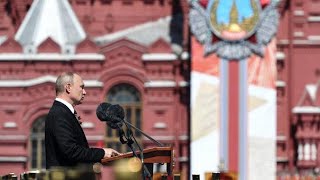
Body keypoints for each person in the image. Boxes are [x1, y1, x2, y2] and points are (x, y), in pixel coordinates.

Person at [45, 72, 120, 169]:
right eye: (81, 87)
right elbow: (71, 151)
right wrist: (103, 153)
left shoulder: (63, 112)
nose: (84, 92)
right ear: (68, 88)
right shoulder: (59, 114)